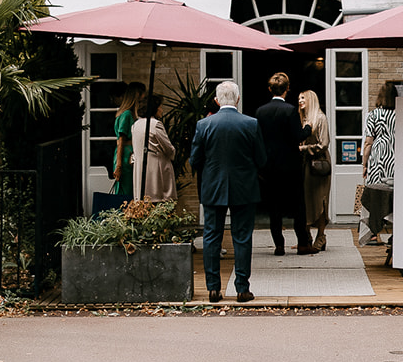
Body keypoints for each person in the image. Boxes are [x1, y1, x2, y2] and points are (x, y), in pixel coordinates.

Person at [190, 80, 267, 303]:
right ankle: (242, 288)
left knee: (212, 237)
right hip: (244, 187)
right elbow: (261, 159)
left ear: (216, 100)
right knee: (242, 238)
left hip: (213, 186)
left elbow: (195, 159)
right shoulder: (250, 123)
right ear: (238, 99)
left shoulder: (204, 125)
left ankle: (213, 288)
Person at [255, 72, 314, 255]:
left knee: (274, 207)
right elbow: (298, 136)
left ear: (269, 89)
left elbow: (258, 139)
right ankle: (303, 244)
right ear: (287, 89)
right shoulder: (290, 110)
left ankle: (279, 245)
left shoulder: (260, 111)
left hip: (269, 167)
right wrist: (308, 128)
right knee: (298, 206)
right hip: (290, 165)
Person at [361, 80, 396, 249]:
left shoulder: (373, 115)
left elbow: (368, 142)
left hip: (377, 161)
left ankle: (372, 234)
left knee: (374, 196)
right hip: (396, 159)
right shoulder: (401, 114)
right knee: (394, 198)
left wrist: (364, 163)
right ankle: (395, 234)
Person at [298, 88, 331, 252]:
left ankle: (321, 235)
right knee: (307, 200)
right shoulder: (303, 119)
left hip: (319, 163)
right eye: (299, 99)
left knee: (321, 199)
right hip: (306, 164)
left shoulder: (320, 118)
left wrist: (304, 149)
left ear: (311, 99)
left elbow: (324, 144)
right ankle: (308, 236)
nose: (300, 101)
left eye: (303, 98)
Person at [130, 92, 177, 203]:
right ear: (154, 108)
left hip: (140, 170)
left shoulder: (136, 125)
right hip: (156, 170)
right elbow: (168, 148)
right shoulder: (155, 124)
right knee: (160, 201)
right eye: (160, 107)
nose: (161, 109)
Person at [111, 82, 146, 199]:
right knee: (125, 192)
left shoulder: (128, 114)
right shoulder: (126, 115)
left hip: (127, 156)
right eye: (141, 100)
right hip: (125, 157)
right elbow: (121, 140)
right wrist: (119, 165)